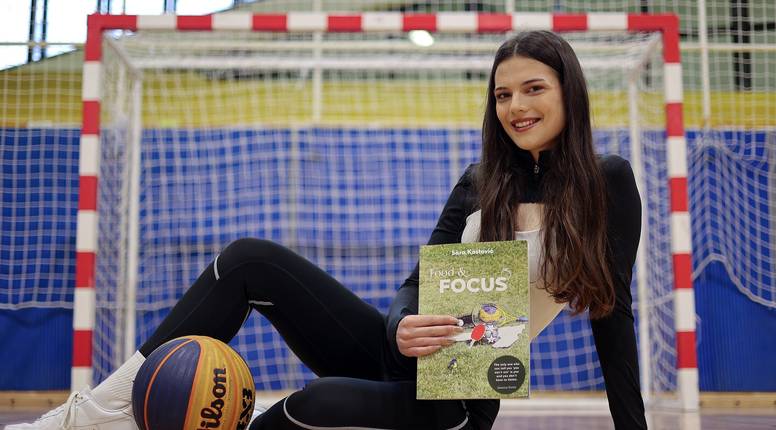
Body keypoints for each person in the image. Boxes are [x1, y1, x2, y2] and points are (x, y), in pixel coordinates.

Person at [9, 30, 646, 430]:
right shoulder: (482, 182)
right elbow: (415, 284)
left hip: (456, 400)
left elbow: (612, 319)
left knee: (307, 405)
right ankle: (92, 417)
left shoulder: (608, 182)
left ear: (569, 93)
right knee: (249, 259)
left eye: (533, 89)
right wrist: (400, 326)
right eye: (503, 95)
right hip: (399, 359)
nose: (516, 107)